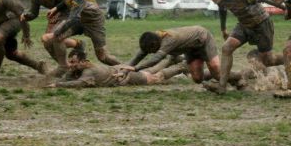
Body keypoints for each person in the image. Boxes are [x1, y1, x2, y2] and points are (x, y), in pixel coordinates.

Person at [206, 0, 286, 94]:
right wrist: (223, 29)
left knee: (268, 61)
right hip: (244, 25)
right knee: (226, 48)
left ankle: (289, 58)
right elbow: (222, 9)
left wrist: (285, 8)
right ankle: (222, 86)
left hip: (261, 24)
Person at [41, 0, 120, 75]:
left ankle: (124, 69)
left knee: (103, 57)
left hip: (93, 21)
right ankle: (64, 67)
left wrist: (54, 33)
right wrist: (56, 9)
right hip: (80, 19)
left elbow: (73, 18)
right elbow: (67, 1)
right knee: (57, 38)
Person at [120, 25, 243, 87]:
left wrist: (136, 69)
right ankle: (225, 76)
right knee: (197, 79)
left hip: (203, 40)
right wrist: (126, 70)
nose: (150, 53)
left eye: (151, 50)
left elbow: (156, 59)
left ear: (154, 44)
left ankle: (238, 76)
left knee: (216, 69)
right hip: (190, 49)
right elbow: (138, 56)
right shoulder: (153, 40)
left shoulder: (169, 40)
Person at [21, 0, 84, 71]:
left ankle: (71, 56)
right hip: (55, 15)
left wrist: (56, 9)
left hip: (68, 13)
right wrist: (27, 16)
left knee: (53, 38)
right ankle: (66, 65)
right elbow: (34, 13)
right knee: (47, 42)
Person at [48, 50, 187, 88]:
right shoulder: (81, 67)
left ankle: (181, 67)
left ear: (84, 62)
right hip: (119, 70)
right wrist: (59, 80)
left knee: (155, 77)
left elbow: (79, 83)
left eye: (73, 62)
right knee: (149, 71)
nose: (71, 65)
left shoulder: (88, 71)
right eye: (70, 62)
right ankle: (171, 60)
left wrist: (57, 84)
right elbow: (68, 77)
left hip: (125, 77)